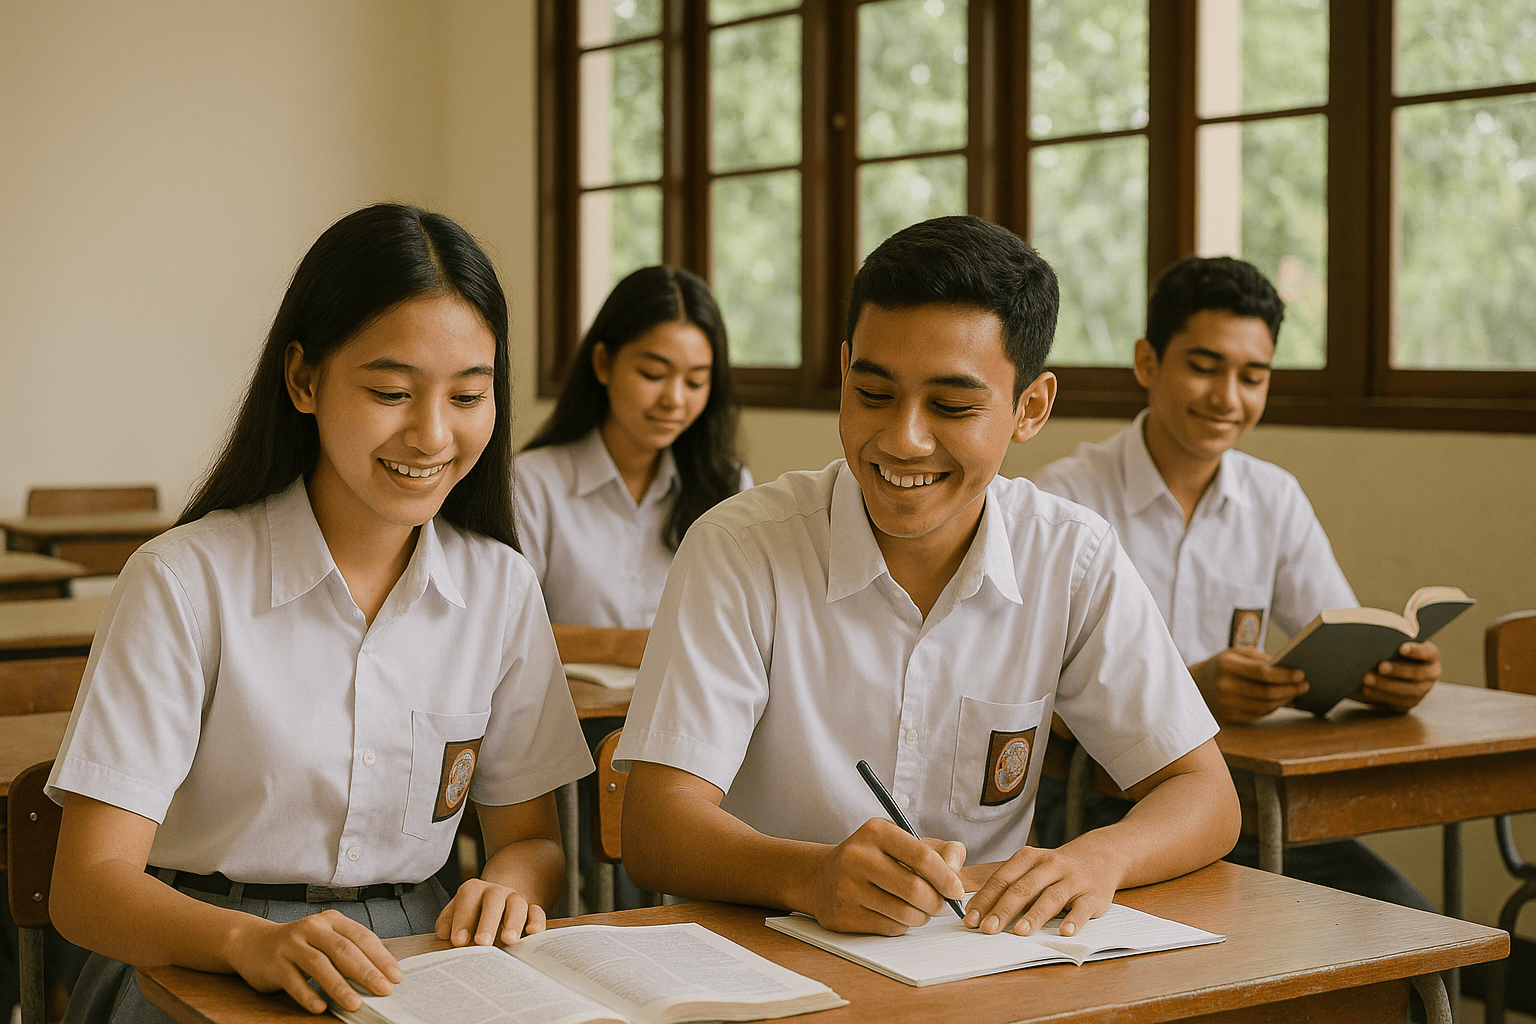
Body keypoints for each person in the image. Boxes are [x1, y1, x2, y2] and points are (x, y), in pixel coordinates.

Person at [614, 216, 1240, 939]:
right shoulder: (740, 548)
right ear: (845, 371)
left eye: (951, 406)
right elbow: (655, 827)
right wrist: (810, 877)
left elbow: (1207, 794)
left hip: (980, 967)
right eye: (874, 393)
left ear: (1029, 408)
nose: (904, 438)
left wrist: (1099, 859)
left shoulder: (1071, 556)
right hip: (762, 961)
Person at [47, 204, 593, 1024]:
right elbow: (88, 888)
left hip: (421, 957)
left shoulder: (500, 588)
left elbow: (531, 841)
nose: (432, 433)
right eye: (390, 391)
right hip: (196, 954)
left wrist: (506, 889)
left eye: (469, 395)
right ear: (303, 380)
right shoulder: (183, 580)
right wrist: (250, 943)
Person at [1031, 254, 1439, 912]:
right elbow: (1027, 697)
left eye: (1253, 376)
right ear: (1146, 363)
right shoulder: (1065, 501)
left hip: (1245, 803)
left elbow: (1340, 631)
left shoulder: (1273, 498)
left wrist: (1388, 674)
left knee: (1408, 923)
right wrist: (1191, 692)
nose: (1228, 398)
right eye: (1204, 366)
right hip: (1095, 803)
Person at [515, 265, 749, 909]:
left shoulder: (727, 484)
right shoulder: (535, 482)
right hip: (572, 732)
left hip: (696, 730)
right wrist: (639, 647)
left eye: (697, 381)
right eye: (653, 372)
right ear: (602, 363)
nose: (675, 398)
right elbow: (508, 637)